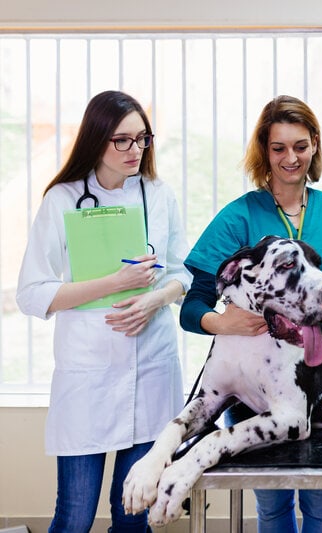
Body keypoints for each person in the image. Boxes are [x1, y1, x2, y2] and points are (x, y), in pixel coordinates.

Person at [179, 94, 322, 533]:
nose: (291, 158)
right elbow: (192, 306)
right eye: (279, 148)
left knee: (321, 503)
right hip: (252, 387)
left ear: (314, 146)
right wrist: (219, 321)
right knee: (271, 507)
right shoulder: (237, 218)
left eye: (301, 145)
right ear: (264, 152)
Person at [16, 90, 192, 532]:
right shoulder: (62, 199)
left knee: (133, 518)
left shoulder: (158, 195)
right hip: (88, 379)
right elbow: (32, 292)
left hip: (151, 371)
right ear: (97, 140)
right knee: (74, 516)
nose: (135, 150)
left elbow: (184, 274)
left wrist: (155, 298)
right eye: (122, 140)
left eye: (142, 139)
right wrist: (114, 284)